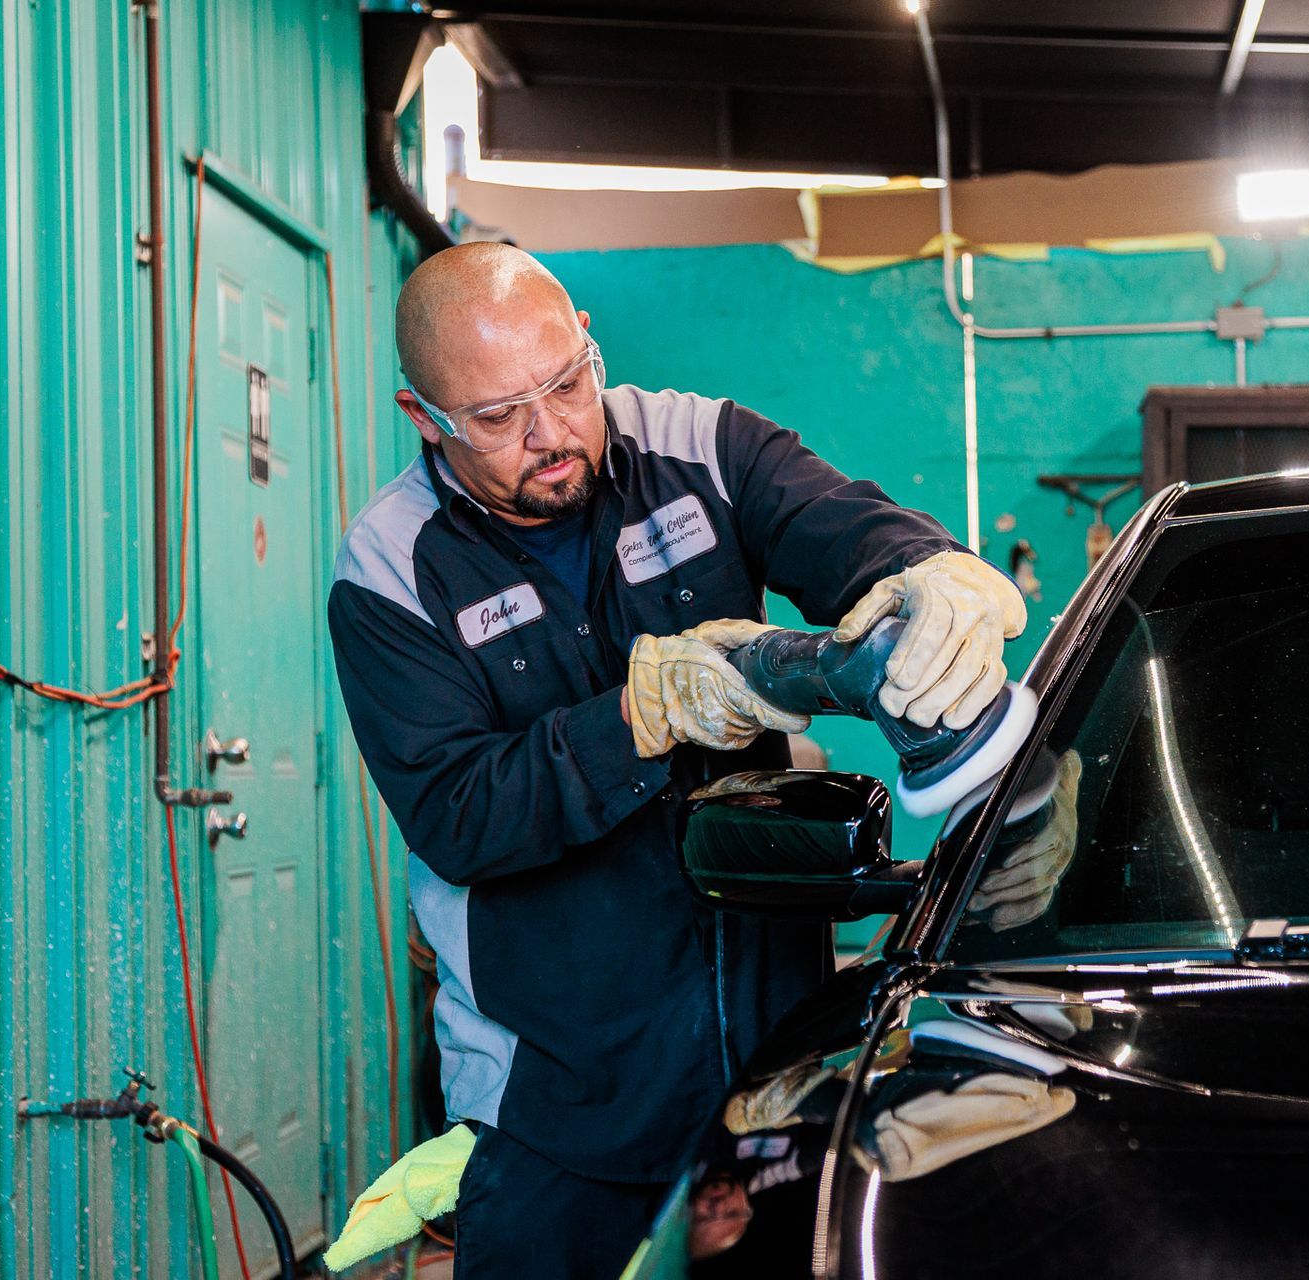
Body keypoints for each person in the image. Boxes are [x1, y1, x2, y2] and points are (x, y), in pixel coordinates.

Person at [327, 243, 1025, 1278]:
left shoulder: (702, 444)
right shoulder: (389, 567)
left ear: (590, 348)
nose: (552, 432)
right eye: (498, 416)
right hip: (554, 1110)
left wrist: (930, 574)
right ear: (423, 416)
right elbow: (460, 815)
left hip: (768, 1084)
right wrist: (643, 715)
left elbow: (846, 530)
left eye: (568, 382)